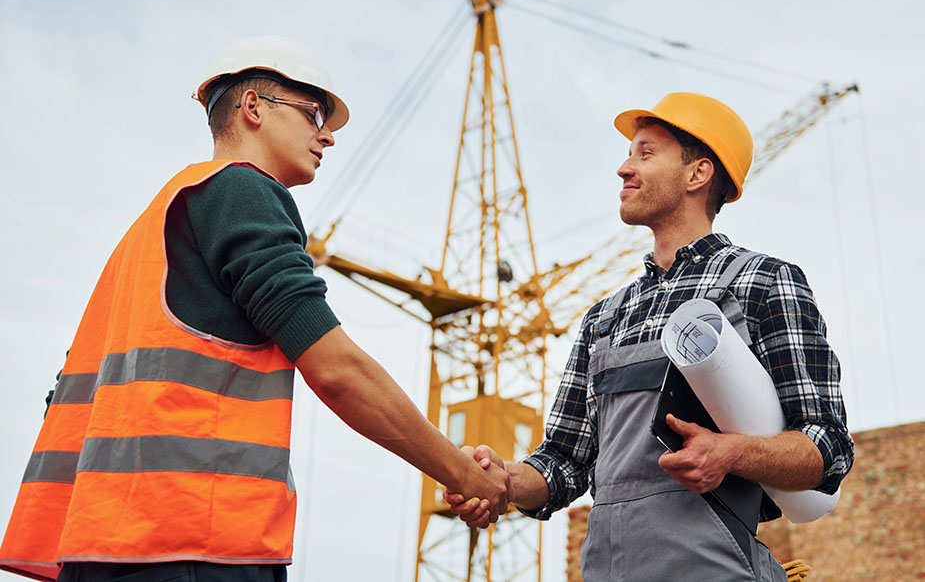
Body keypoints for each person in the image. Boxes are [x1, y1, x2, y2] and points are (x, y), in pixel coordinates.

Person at [0, 36, 507, 582]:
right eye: (313, 113)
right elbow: (334, 368)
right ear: (254, 108)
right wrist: (460, 471)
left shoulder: (151, 227)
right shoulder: (239, 191)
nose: (328, 135)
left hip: (103, 546)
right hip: (195, 541)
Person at [446, 92, 853, 580]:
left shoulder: (762, 283)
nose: (624, 168)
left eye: (645, 153)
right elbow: (564, 464)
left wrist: (731, 453)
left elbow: (828, 446)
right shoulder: (605, 317)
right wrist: (505, 481)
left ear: (697, 174)